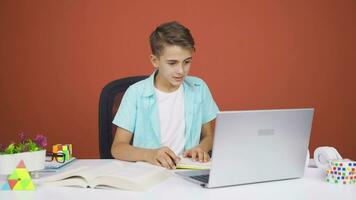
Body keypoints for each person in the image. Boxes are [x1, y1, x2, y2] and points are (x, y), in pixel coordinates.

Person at [111, 21, 219, 169]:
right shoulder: (135, 93)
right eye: (172, 63)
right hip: (147, 173)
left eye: (186, 62)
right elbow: (117, 148)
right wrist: (149, 155)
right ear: (155, 61)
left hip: (187, 173)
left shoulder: (199, 88)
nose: (181, 70)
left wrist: (201, 148)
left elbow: (208, 136)